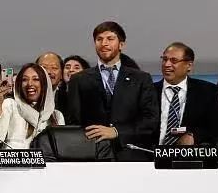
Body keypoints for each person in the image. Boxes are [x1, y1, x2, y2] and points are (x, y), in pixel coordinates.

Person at [67, 21, 159, 159]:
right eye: (99, 39)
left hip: (131, 156)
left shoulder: (141, 79)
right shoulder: (79, 80)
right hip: (92, 155)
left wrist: (117, 132)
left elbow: (150, 120)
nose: (104, 43)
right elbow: (74, 123)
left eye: (110, 39)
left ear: (121, 44)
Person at [153, 43, 218, 145]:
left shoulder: (207, 91)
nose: (167, 64)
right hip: (150, 151)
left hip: (189, 152)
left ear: (189, 66)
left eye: (174, 60)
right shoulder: (148, 90)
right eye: (164, 59)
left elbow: (217, 128)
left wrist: (194, 135)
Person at [0, 63, 64, 149]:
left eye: (36, 79)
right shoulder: (11, 105)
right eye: (24, 80)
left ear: (44, 84)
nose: (30, 84)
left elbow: (61, 148)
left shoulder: (57, 116)